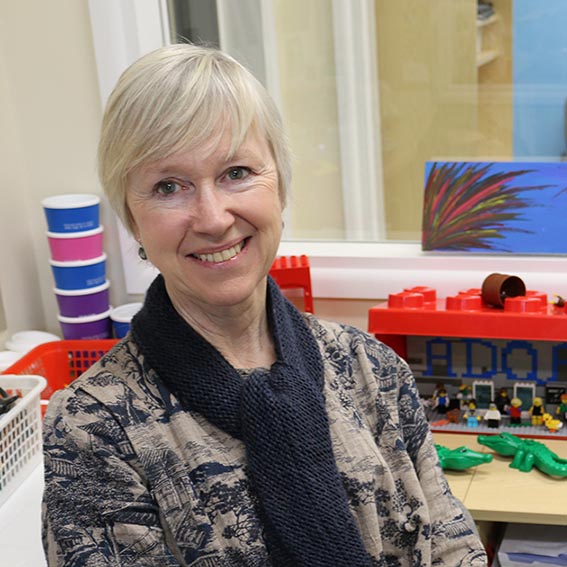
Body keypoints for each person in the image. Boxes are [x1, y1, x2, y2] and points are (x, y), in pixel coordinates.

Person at [42, 43, 487, 566]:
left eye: (236, 173)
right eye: (169, 186)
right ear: (133, 219)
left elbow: (454, 545)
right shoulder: (93, 426)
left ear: (279, 183)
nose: (212, 217)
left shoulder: (371, 369)